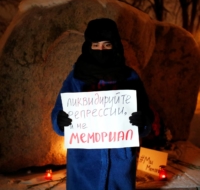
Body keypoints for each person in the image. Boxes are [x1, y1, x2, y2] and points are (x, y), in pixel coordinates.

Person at [51, 18, 154, 190]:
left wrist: (143, 120)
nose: (101, 50)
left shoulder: (129, 77)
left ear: (115, 46)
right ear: (88, 46)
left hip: (119, 163)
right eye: (96, 45)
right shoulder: (76, 77)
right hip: (83, 163)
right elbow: (59, 110)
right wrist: (60, 121)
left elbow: (146, 113)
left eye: (107, 45)